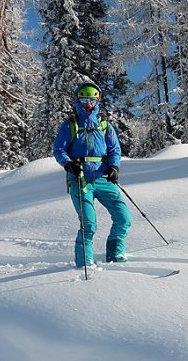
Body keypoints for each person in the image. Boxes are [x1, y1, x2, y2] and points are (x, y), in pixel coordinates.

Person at [53, 81, 131, 267]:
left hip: (104, 178)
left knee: (123, 218)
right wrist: (68, 164)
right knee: (89, 224)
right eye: (84, 100)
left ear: (97, 101)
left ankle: (115, 253)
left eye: (92, 100)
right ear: (78, 101)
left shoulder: (105, 126)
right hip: (80, 180)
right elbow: (59, 150)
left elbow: (114, 149)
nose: (88, 104)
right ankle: (84, 263)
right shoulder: (70, 126)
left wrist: (114, 167)